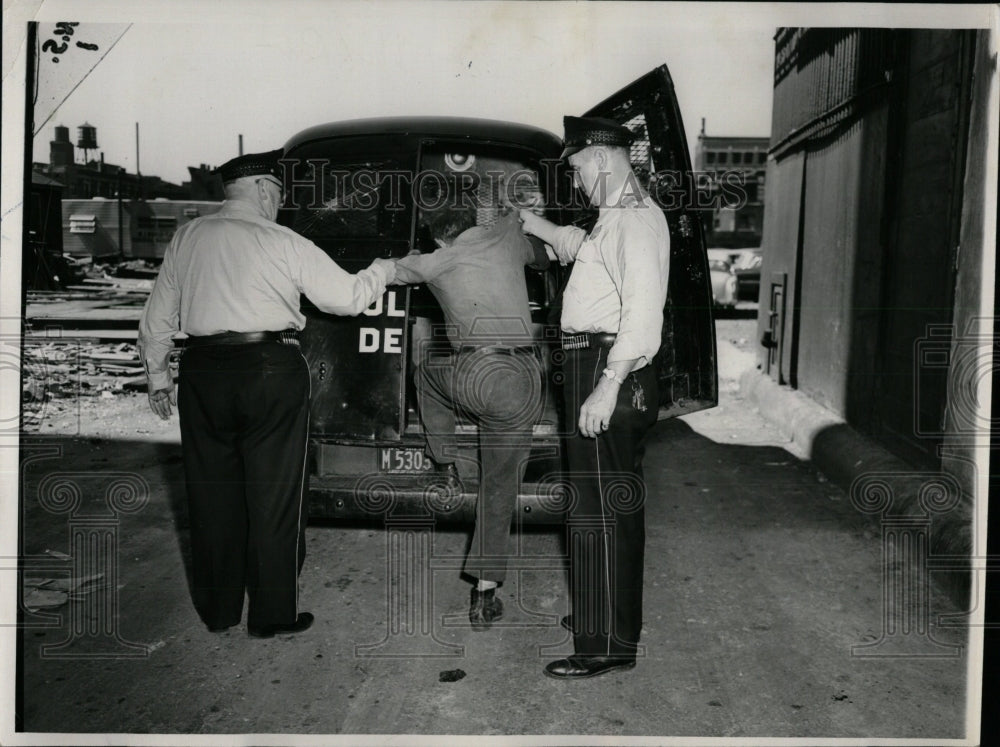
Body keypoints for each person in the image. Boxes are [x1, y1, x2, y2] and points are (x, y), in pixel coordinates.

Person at [138, 148, 396, 638]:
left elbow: (156, 321)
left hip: (202, 371)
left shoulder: (187, 237)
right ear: (260, 188)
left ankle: (218, 613)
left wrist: (158, 378)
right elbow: (346, 298)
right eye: (277, 192)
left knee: (211, 495)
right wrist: (382, 270)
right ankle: (273, 614)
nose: (278, 202)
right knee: (275, 496)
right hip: (269, 370)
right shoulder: (281, 239)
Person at [519, 116, 670, 679]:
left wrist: (607, 386)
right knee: (601, 507)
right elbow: (584, 250)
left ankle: (605, 645)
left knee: (600, 513)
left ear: (604, 159)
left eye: (579, 168)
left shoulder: (633, 220)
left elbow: (643, 313)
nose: (578, 180)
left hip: (610, 368)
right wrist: (533, 222)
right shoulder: (618, 219)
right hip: (597, 364)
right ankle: (602, 616)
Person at [391, 202, 548, 630]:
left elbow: (394, 271)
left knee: (425, 373)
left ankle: (445, 462)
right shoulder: (505, 235)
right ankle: (483, 597)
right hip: (521, 381)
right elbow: (544, 252)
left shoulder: (439, 258)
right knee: (499, 492)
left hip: (471, 375)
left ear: (441, 237)